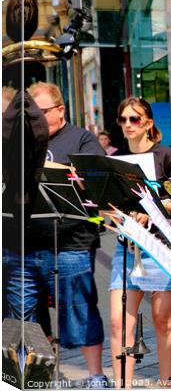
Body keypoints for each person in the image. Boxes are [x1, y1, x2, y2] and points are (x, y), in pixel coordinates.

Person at [3, 82, 109, 388]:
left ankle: (95, 376)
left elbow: (99, 179)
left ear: (60, 110)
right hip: (21, 245)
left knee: (80, 312)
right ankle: (37, 377)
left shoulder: (81, 139)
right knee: (23, 316)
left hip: (70, 244)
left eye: (41, 112)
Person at [108, 97, 171, 387]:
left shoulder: (166, 156)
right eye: (123, 119)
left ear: (149, 123)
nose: (128, 125)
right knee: (118, 322)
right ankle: (122, 385)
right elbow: (106, 203)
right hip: (126, 246)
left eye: (135, 119)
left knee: (163, 320)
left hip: (162, 246)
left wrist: (151, 210)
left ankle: (168, 384)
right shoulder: (113, 158)